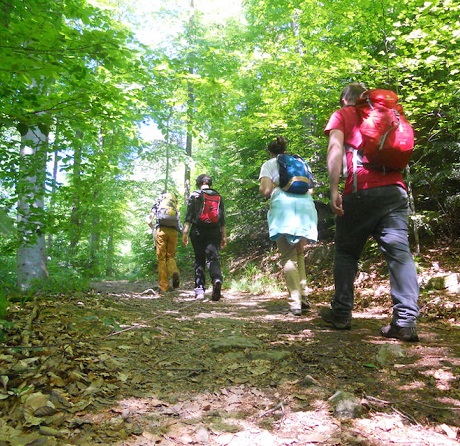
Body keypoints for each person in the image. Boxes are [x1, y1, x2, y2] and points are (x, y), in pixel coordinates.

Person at [322, 82, 420, 342]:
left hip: (360, 191)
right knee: (399, 254)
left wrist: (333, 189)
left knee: (346, 252)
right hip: (395, 192)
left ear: (345, 100)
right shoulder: (388, 115)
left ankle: (341, 313)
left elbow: (334, 150)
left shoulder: (343, 115)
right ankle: (406, 321)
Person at [258, 136, 318, 316]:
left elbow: (266, 191)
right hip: (306, 208)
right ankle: (304, 297)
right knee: (299, 253)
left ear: (270, 152)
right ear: (285, 149)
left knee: (288, 256)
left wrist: (275, 184)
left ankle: (295, 302)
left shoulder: (269, 164)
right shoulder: (299, 162)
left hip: (284, 211)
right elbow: (311, 189)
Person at [182, 174, 227, 301]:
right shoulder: (218, 196)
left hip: (197, 231)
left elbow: (189, 217)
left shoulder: (194, 195)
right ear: (209, 183)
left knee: (199, 259)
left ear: (198, 183)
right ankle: (217, 279)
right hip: (214, 231)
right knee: (213, 258)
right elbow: (222, 220)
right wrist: (224, 236)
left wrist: (185, 233)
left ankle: (200, 291)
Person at [147, 191, 181, 293]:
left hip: (161, 230)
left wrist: (153, 228)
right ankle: (174, 272)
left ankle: (164, 286)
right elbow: (178, 219)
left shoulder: (158, 203)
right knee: (170, 256)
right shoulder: (175, 204)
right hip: (173, 232)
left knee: (161, 259)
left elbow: (148, 220)